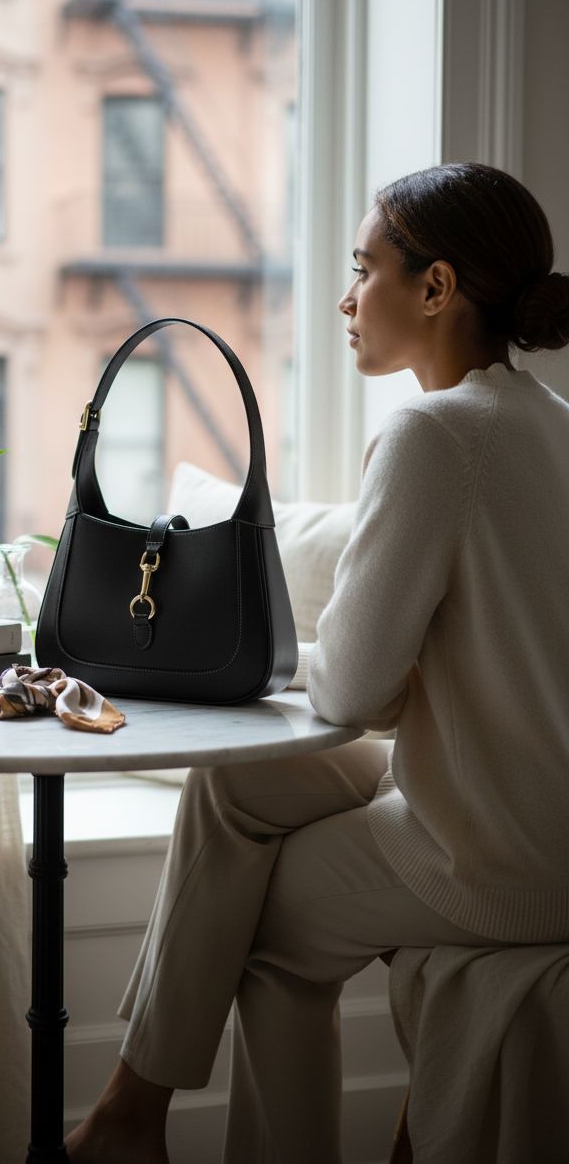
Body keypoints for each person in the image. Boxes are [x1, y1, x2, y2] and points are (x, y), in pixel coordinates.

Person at [65, 162, 569, 1164]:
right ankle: (131, 1115)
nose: (344, 298)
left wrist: (293, 656)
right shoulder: (550, 421)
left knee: (261, 936)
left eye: (362, 268)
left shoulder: (433, 434)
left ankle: (139, 1117)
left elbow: (352, 690)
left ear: (435, 289)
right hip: (530, 805)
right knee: (232, 786)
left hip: (492, 858)